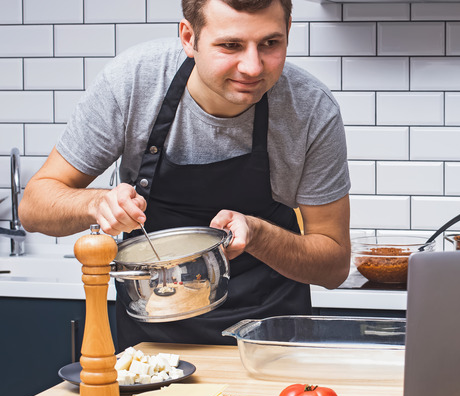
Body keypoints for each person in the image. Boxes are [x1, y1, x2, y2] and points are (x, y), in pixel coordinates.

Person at [18, 0, 351, 349]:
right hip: (153, 341)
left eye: (270, 43)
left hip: (269, 341)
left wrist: (258, 234)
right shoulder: (134, 82)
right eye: (230, 45)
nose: (253, 67)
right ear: (189, 38)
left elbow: (333, 265)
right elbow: (34, 206)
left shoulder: (310, 109)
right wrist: (98, 203)